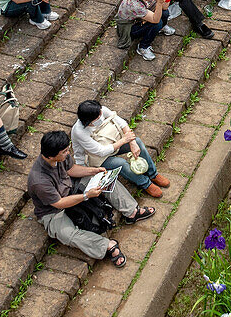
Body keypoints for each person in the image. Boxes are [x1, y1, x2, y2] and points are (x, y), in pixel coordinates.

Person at [27, 129, 150, 268]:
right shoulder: (39, 180)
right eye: (64, 152)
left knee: (105, 177)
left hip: (71, 188)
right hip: (53, 210)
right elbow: (59, 203)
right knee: (67, 234)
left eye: (68, 150)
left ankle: (132, 211)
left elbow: (71, 170)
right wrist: (86, 196)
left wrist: (94, 170)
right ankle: (106, 246)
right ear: (50, 156)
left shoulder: (61, 155)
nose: (68, 153)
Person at [72, 98, 169, 193]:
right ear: (88, 121)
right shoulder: (79, 132)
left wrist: (132, 142)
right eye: (97, 118)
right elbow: (100, 151)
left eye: (100, 114)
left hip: (112, 143)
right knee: (121, 163)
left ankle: (153, 174)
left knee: (138, 142)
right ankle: (146, 184)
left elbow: (122, 123)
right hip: (97, 157)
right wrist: (124, 140)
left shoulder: (100, 111)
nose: (101, 117)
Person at [114, 0, 175, 64]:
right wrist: (159, 3)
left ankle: (161, 28)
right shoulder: (133, 4)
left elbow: (165, 7)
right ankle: (143, 47)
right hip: (130, 26)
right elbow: (156, 19)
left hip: (141, 17)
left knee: (164, 13)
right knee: (157, 24)